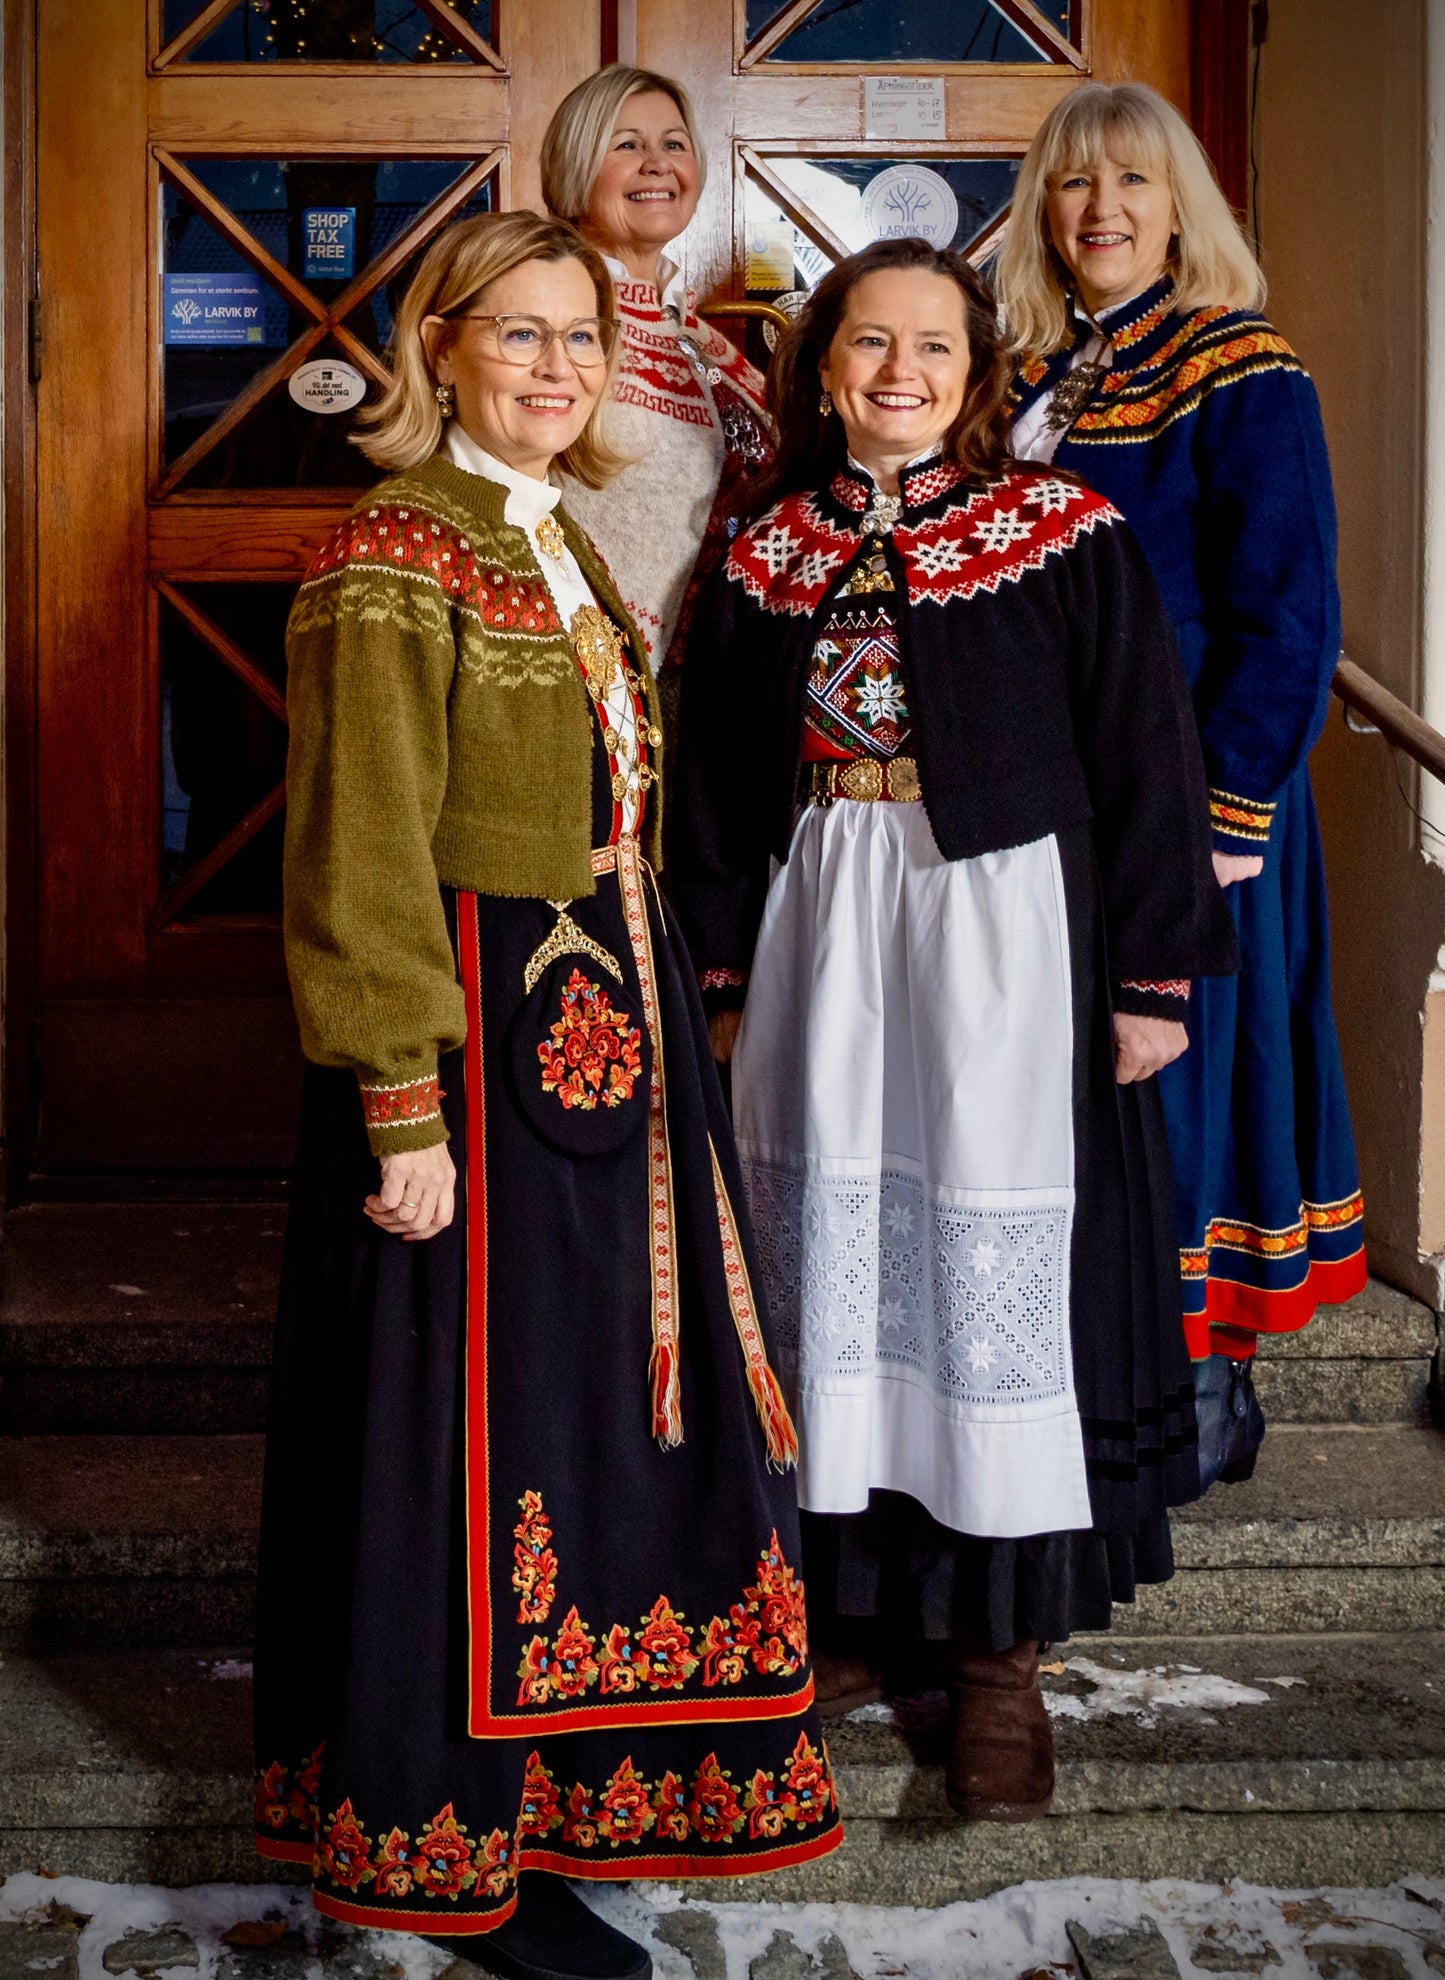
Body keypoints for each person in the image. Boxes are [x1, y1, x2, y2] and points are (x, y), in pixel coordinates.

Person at [252, 211, 841, 1980]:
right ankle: (447, 1858)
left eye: (578, 337)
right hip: (467, 1057)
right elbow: (358, 854)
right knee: (455, 1440)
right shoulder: (391, 554)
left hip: (601, 1036)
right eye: (516, 334)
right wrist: (400, 1109)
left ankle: (548, 1815)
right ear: (441, 345)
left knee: (569, 1433)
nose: (555, 365)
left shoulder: (560, 541)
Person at [670, 237, 1238, 1823]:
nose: (899, 372)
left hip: (1003, 939)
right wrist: (716, 972)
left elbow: (1144, 754)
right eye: (867, 344)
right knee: (831, 1272)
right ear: (823, 366)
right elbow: (714, 785)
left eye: (932, 345)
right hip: (819, 933)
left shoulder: (1064, 534)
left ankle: (996, 1668)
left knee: (995, 1280)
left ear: (978, 370)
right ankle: (859, 1619)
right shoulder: (768, 549)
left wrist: (1149, 980)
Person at [998, 81, 1367, 1490]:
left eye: (1131, 186)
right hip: (1062, 805)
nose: (1099, 211)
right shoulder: (1042, 370)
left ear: (1179, 208)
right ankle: (1103, 1383)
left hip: (1191, 811)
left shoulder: (1239, 362)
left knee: (1185, 1096)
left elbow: (1290, 612)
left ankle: (1198, 1396)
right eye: (1074, 185)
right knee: (1084, 1096)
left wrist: (1222, 824)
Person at [541, 64, 772, 688]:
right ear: (575, 166)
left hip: (725, 669)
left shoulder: (690, 325)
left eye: (674, 143)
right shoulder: (556, 313)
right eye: (626, 144)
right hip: (600, 670)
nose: (656, 163)